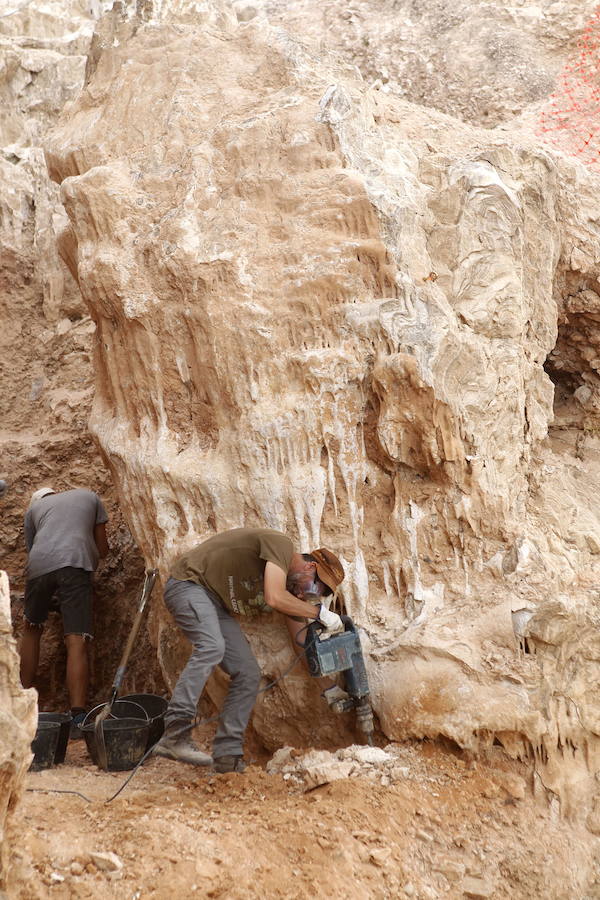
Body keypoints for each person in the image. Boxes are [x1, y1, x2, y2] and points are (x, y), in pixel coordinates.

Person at [154, 527, 345, 773]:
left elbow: (301, 644)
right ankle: (175, 734)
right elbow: (274, 597)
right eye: (317, 588)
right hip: (189, 585)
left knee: (248, 672)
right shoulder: (281, 546)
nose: (312, 594)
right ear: (310, 568)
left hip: (215, 606)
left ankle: (227, 757)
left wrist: (329, 688)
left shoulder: (289, 592)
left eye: (321, 595)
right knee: (211, 647)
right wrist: (319, 613)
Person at [20, 487, 109, 733]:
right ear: (55, 493)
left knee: (31, 629)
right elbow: (103, 548)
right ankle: (78, 717)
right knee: (76, 640)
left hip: (38, 568)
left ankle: (18, 704)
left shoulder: (33, 510)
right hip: (75, 563)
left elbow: (37, 553)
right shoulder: (89, 495)